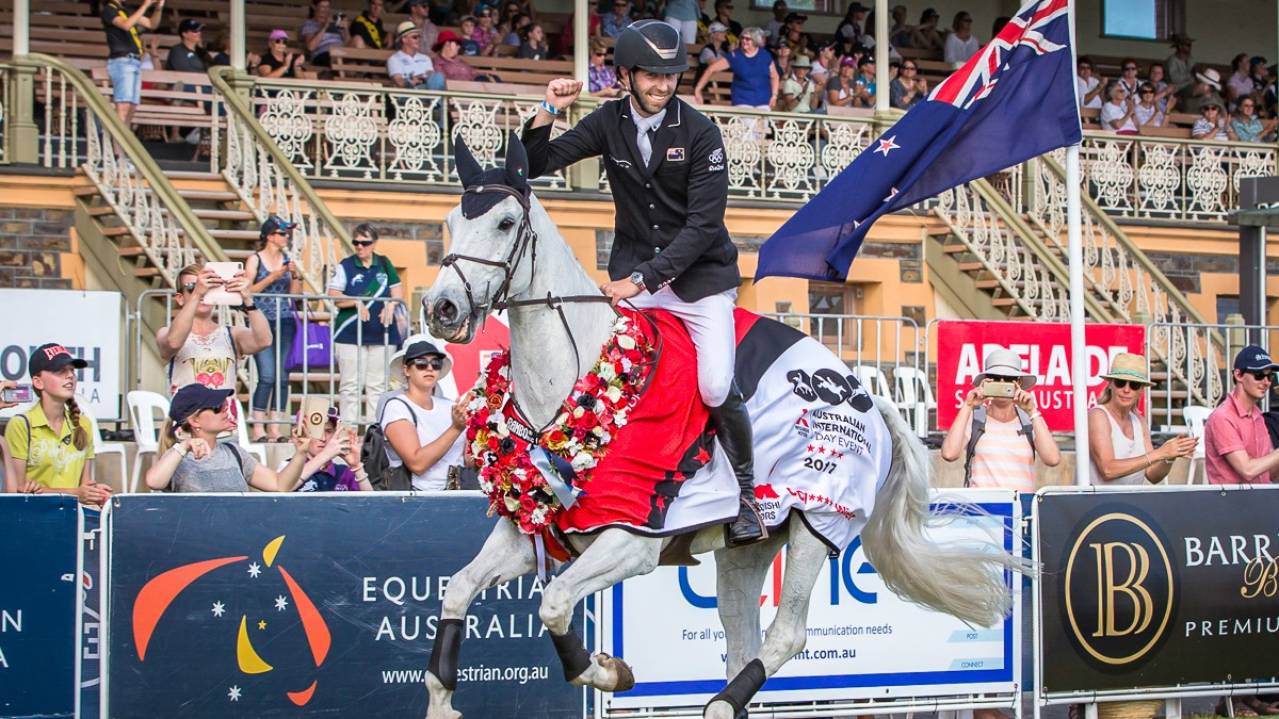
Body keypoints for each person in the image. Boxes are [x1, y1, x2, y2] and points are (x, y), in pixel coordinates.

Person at [521, 21, 767, 545]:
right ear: (626, 74)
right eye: (652, 75)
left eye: (671, 75)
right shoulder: (608, 121)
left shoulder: (701, 132)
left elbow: (703, 226)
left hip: (699, 281)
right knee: (601, 371)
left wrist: (640, 279)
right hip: (637, 276)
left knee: (715, 384)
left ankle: (746, 493)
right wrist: (548, 108)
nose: (662, 85)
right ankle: (579, 481)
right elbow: (537, 164)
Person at [939, 347, 1061, 492]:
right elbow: (949, 454)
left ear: (1019, 383)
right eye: (996, 378)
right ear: (986, 381)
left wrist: (1032, 411)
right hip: (982, 509)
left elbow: (1053, 459)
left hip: (1021, 509)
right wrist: (968, 405)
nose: (1002, 382)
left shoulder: (1029, 419)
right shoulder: (975, 417)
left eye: (1009, 378)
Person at [157, 262, 273, 415]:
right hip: (186, 430)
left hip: (225, 427)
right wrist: (197, 294)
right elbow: (173, 342)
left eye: (208, 286)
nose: (202, 291)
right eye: (192, 287)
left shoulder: (231, 334)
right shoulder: (165, 332)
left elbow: (264, 340)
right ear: (180, 298)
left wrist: (248, 300)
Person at [145, 384, 308, 492]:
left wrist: (301, 452)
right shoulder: (177, 456)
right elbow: (153, 481)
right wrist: (184, 446)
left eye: (224, 405)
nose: (225, 410)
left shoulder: (234, 452)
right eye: (217, 408)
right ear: (194, 420)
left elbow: (279, 484)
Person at [3, 344, 111, 506]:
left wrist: (95, 493)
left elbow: (84, 486)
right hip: (35, 517)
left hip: (74, 518)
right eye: (60, 371)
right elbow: (16, 491)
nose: (70, 376)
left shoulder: (83, 423)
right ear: (38, 382)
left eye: (72, 370)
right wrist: (76, 494)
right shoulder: (20, 424)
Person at [327, 223, 405, 424]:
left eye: (365, 243)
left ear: (374, 243)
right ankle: (348, 430)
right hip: (350, 333)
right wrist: (356, 301)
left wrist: (390, 305)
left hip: (381, 333)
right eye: (356, 243)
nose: (360, 247)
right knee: (350, 385)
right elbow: (333, 295)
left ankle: (374, 429)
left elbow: (397, 293)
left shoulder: (384, 263)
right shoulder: (346, 265)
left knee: (377, 385)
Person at [1088, 353, 1197, 485]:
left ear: (1141, 390)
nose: (1126, 389)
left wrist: (1169, 457)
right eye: (1120, 383)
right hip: (1097, 503)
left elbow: (1152, 475)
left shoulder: (1140, 422)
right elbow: (1108, 470)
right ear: (1110, 385)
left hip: (1129, 502)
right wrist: (1160, 453)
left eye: (1134, 385)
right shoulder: (1098, 415)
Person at [380, 340, 466, 491]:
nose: (429, 368)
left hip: (458, 493)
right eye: (421, 363)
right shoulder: (397, 407)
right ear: (406, 370)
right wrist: (456, 428)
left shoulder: (450, 406)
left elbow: (468, 460)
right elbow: (417, 464)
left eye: (436, 363)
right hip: (417, 498)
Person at [244, 215, 301, 442]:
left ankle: (275, 428)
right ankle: (259, 427)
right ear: (269, 236)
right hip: (261, 320)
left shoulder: (288, 259)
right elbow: (249, 289)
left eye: (287, 234)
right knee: (267, 375)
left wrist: (295, 275)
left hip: (285, 319)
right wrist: (274, 276)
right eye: (282, 233)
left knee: (282, 377)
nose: (286, 237)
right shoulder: (255, 260)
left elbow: (295, 296)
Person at [1203, 346, 1279, 486]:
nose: (1266, 382)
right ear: (1238, 375)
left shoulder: (1257, 415)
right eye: (1259, 375)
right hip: (1230, 503)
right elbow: (1247, 470)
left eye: (1270, 376)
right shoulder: (1222, 417)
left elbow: (1269, 474)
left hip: (1259, 499)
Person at [101, 0, 165, 126]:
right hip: (122, 61)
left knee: (132, 107)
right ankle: (118, 144)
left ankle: (124, 141)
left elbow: (151, 24)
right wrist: (145, 5)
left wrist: (158, 8)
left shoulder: (126, 11)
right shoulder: (109, 9)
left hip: (134, 62)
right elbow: (126, 25)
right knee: (123, 105)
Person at [289, 407, 372, 492]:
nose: (323, 438)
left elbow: (372, 503)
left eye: (328, 431)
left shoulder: (344, 472)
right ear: (301, 434)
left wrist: (357, 467)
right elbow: (286, 487)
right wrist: (325, 455)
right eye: (316, 431)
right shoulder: (287, 467)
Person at [694, 27, 777, 110]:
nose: (744, 41)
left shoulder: (765, 55)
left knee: (763, 120)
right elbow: (710, 69)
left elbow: (775, 76)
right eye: (742, 38)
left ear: (755, 41)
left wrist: (774, 95)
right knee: (748, 121)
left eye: (748, 39)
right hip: (742, 101)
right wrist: (698, 89)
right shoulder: (735, 55)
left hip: (764, 102)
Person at [388, 21, 446, 89]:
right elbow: (399, 82)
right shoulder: (395, 59)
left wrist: (423, 78)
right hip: (408, 92)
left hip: (426, 89)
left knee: (438, 76)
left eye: (419, 37)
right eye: (415, 37)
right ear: (404, 39)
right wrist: (413, 81)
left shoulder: (425, 58)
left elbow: (431, 77)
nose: (418, 39)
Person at [300, 0, 349, 68]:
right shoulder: (309, 24)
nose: (325, 10)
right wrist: (325, 27)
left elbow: (347, 44)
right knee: (342, 61)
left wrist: (346, 29)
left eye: (327, 7)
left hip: (342, 53)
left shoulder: (336, 24)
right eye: (322, 6)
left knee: (357, 42)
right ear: (314, 7)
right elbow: (310, 47)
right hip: (323, 55)